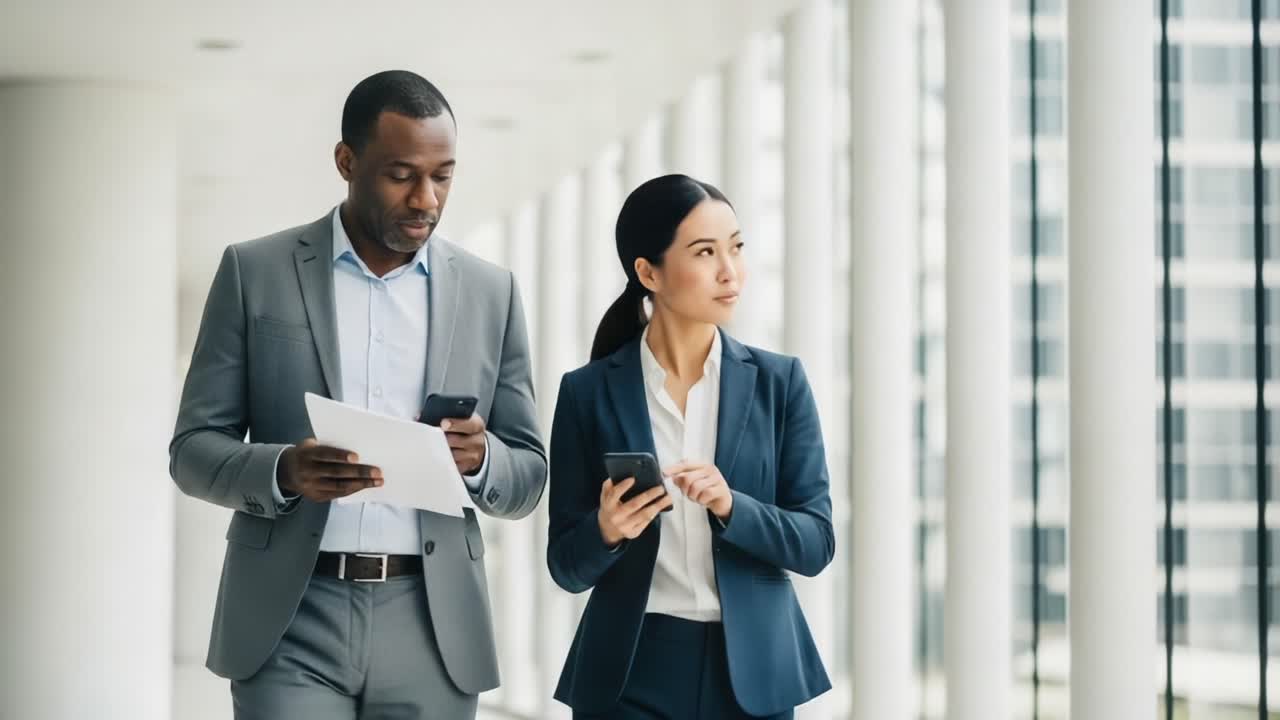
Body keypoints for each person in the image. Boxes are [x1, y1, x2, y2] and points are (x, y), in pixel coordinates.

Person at [169, 69, 546, 719]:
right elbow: (193, 449)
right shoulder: (254, 272)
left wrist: (482, 459)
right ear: (347, 161)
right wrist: (283, 469)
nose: (426, 199)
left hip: (432, 624)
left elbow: (530, 472)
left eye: (444, 175)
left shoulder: (492, 293)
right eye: (402, 174)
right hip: (291, 618)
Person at [546, 174, 834, 719]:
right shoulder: (586, 392)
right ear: (648, 272)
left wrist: (732, 506)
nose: (730, 271)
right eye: (705, 252)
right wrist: (606, 530)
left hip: (753, 673)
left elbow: (816, 543)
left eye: (737, 247)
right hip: (629, 672)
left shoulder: (780, 382)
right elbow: (565, 565)